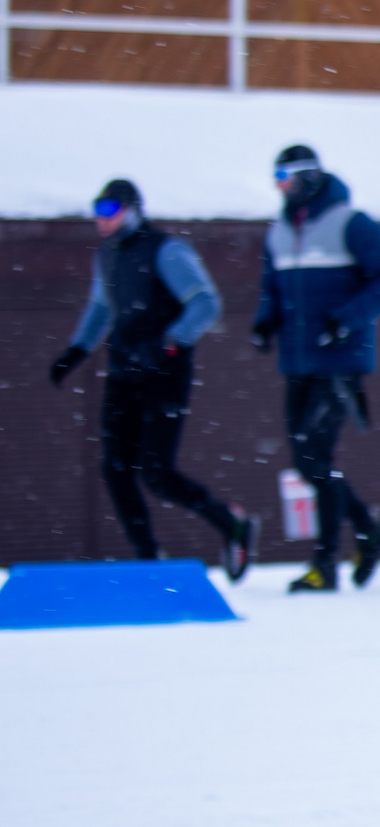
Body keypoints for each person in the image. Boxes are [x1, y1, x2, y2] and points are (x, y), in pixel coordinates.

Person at [48, 179, 258, 579]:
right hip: (123, 373)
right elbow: (100, 309)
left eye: (109, 211)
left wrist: (172, 341)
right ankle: (148, 558)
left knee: (156, 472)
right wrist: (75, 351)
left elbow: (206, 303)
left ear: (132, 210)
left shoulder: (167, 251)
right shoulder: (107, 257)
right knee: (115, 469)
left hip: (164, 373)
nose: (102, 220)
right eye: (97, 211)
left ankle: (231, 523)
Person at [251, 144, 380, 593]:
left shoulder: (350, 223)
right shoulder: (279, 231)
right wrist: (266, 322)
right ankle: (367, 530)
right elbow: (271, 286)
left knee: (313, 460)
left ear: (310, 178)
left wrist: (346, 319)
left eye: (286, 177)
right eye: (275, 179)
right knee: (309, 464)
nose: (280, 187)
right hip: (298, 362)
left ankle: (326, 565)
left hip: (339, 362)